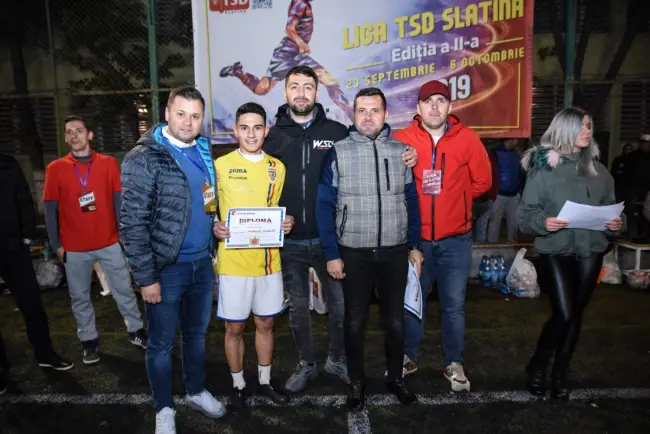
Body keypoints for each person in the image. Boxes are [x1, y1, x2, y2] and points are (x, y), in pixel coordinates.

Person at [217, 65, 417, 393]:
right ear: (285, 92)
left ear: (316, 92)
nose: (300, 92)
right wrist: (224, 223)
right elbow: (247, 177)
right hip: (287, 241)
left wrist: (408, 150)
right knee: (297, 309)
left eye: (307, 87)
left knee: (341, 307)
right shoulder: (272, 135)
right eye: (294, 86)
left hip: (330, 241)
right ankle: (307, 362)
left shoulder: (338, 132)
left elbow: (374, 140)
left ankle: (336, 360)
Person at [120, 87, 226, 434]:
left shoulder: (204, 149)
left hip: (201, 264)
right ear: (167, 113)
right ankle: (164, 408)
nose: (188, 122)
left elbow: (207, 200)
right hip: (166, 268)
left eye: (195, 116)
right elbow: (132, 221)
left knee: (196, 335)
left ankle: (195, 391)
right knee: (161, 343)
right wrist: (145, 277)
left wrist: (216, 227)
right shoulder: (145, 156)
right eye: (181, 114)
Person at [316, 87, 423, 411]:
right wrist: (332, 254)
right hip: (354, 252)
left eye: (374, 110)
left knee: (394, 321)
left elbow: (412, 201)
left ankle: (395, 378)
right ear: (353, 114)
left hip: (393, 251)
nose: (367, 116)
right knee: (354, 321)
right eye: (361, 110)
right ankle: (357, 381)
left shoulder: (402, 151)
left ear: (385, 114)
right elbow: (324, 206)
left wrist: (415, 245)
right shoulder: (338, 152)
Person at [518, 107, 624, 400]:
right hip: (554, 249)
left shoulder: (599, 171)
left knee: (575, 314)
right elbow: (525, 216)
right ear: (564, 129)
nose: (588, 131)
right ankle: (538, 366)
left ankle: (559, 374)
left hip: (591, 249)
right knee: (563, 313)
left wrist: (617, 223)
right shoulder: (543, 171)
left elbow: (613, 209)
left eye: (589, 125)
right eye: (581, 126)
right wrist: (544, 222)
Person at [394, 80, 492, 391]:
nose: (434, 106)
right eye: (428, 101)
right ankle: (407, 357)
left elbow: (483, 182)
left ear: (450, 106)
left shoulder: (468, 139)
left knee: (454, 305)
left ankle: (453, 363)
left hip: (455, 240)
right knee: (413, 303)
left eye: (440, 100)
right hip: (416, 243)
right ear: (418, 108)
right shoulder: (402, 139)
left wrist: (457, 203)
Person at [43, 115, 146, 365]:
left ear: (90, 135)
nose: (74, 136)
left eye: (79, 130)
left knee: (124, 290)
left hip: (109, 242)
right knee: (79, 297)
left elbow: (119, 201)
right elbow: (50, 210)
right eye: (69, 132)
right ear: (66, 137)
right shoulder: (55, 168)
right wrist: (57, 244)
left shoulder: (109, 164)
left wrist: (122, 234)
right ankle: (89, 342)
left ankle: (136, 331)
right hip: (74, 248)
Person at [212, 103, 294, 408]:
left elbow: (278, 214)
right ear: (235, 131)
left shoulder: (277, 167)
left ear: (266, 130)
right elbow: (209, 209)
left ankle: (265, 380)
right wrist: (215, 226)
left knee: (266, 325)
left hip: (268, 262)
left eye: (257, 127)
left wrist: (288, 223)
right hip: (233, 264)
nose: (251, 133)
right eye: (244, 127)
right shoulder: (219, 166)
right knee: (234, 327)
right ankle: (237, 383)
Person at [1, 154, 73, 395]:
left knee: (32, 303)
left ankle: (45, 353)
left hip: (13, 248)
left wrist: (27, 236)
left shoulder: (8, 163)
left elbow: (23, 199)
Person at [219, 0, 353, 121]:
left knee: (330, 82)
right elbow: (289, 28)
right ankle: (237, 72)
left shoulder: (304, 4)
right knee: (261, 89)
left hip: (298, 55)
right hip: (286, 53)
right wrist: (301, 43)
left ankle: (350, 113)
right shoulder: (300, 3)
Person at [487, 138, 522, 243]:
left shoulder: (517, 154)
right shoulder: (494, 153)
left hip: (514, 195)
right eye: (515, 140)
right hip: (499, 195)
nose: (517, 142)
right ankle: (491, 248)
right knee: (495, 222)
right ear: (509, 140)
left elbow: (521, 172)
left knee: (513, 223)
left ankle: (512, 248)